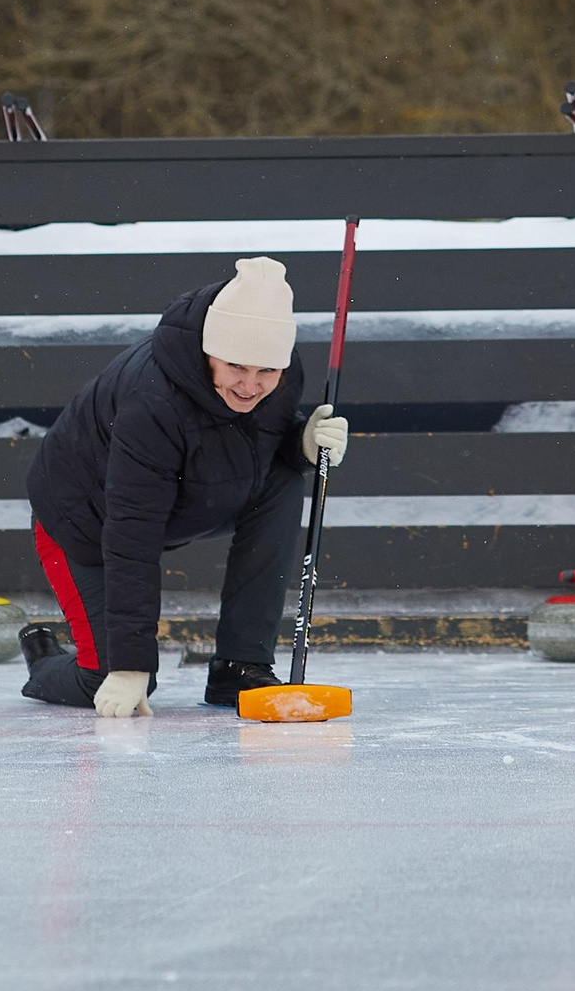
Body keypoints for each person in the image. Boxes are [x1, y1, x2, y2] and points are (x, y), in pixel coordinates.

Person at [18, 258, 351, 717]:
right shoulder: (152, 401)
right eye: (236, 366)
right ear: (209, 351)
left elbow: (258, 442)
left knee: (284, 480)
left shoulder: (279, 372)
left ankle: (240, 663)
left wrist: (303, 444)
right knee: (110, 679)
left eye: (266, 373)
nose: (250, 386)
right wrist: (131, 665)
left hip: (185, 493)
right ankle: (45, 664)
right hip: (83, 520)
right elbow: (132, 529)